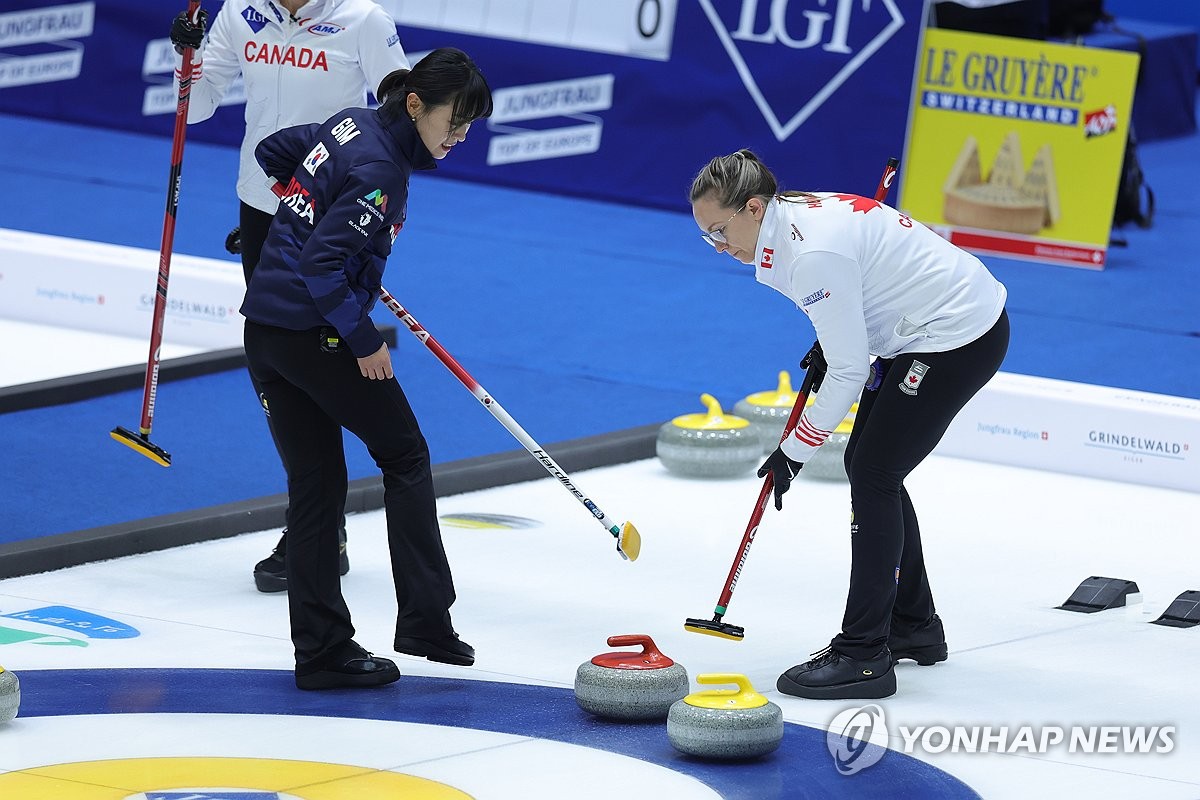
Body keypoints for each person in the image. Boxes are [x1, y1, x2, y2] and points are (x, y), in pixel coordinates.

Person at [689, 149, 1009, 700]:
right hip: (915, 329)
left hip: (954, 336)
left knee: (874, 474)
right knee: (874, 469)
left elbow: (848, 371)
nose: (719, 248)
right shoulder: (791, 222)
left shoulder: (812, 253)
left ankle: (864, 655)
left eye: (720, 231)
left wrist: (793, 451)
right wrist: (834, 333)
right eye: (707, 238)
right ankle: (914, 626)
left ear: (754, 207)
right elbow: (850, 311)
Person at [240, 48, 493, 689]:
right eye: (453, 122)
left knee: (317, 486)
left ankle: (323, 653)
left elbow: (275, 152)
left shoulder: (351, 122)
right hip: (316, 334)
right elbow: (323, 267)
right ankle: (426, 622)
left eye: (468, 127)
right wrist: (362, 340)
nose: (458, 137)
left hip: (266, 335)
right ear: (415, 104)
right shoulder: (383, 168)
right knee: (405, 456)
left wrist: (295, 215)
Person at [168, 0, 410, 592]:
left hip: (332, 216)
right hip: (261, 205)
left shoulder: (365, 21)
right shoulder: (239, 13)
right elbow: (195, 110)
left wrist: (381, 212)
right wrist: (188, 60)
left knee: (323, 362)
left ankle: (321, 525)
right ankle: (318, 522)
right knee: (282, 368)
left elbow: (404, 117)